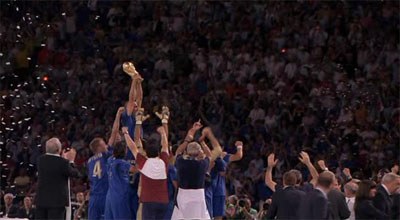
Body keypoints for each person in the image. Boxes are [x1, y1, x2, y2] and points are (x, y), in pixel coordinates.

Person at [125, 106, 171, 220]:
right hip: (162, 201)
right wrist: (164, 125)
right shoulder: (163, 162)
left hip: (147, 200)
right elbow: (165, 145)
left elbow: (134, 145)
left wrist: (137, 123)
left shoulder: (143, 161)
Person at [171, 123, 221, 219]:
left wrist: (187, 139)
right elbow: (209, 156)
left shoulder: (181, 162)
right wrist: (202, 142)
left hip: (183, 194)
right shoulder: (202, 164)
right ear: (199, 153)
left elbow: (177, 152)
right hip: (198, 195)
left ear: (187, 152)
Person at [87, 107, 123, 220]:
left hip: (93, 197)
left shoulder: (89, 161)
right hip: (104, 195)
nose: (106, 145)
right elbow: (114, 132)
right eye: (104, 143)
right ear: (99, 147)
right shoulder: (105, 155)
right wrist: (118, 115)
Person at [35, 137, 80, 219]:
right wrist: (71, 161)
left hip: (41, 200)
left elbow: (53, 163)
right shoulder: (63, 163)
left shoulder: (40, 160)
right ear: (59, 149)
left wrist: (62, 159)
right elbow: (76, 174)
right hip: (57, 202)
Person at [104, 138, 138, 219]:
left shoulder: (110, 159)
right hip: (120, 195)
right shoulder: (121, 163)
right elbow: (135, 169)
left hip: (110, 195)